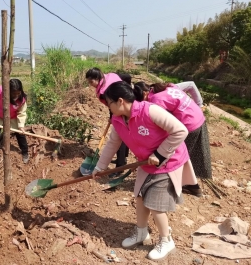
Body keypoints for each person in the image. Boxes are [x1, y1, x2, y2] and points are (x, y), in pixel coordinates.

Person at [92, 81, 194, 261]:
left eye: (109, 103)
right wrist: (100, 167)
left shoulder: (150, 111)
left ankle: (166, 240)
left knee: (155, 204)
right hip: (146, 163)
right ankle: (141, 233)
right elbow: (112, 143)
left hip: (168, 161)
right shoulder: (117, 120)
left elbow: (180, 130)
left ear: (120, 101)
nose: (108, 107)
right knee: (140, 197)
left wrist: (160, 154)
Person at [134, 81, 211, 197]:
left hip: (188, 124)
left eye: (142, 100)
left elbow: (160, 124)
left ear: (145, 93)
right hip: (198, 118)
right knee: (186, 154)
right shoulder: (168, 86)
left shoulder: (156, 100)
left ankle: (188, 186)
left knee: (179, 156)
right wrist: (199, 104)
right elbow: (191, 84)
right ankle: (189, 183)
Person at [85, 68, 129, 176]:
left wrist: (113, 116)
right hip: (126, 104)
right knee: (123, 135)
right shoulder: (109, 76)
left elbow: (111, 105)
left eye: (91, 82)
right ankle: (123, 159)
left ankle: (120, 167)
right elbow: (126, 77)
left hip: (122, 108)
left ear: (97, 78)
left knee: (121, 136)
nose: (90, 85)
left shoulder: (104, 91)